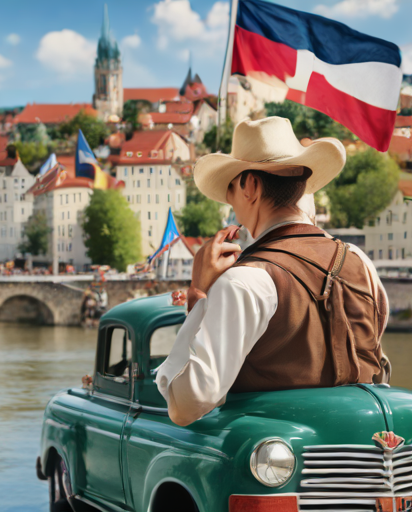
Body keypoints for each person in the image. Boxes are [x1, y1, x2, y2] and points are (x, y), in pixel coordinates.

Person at [156, 116, 389, 427]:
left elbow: (185, 404)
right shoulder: (361, 262)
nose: (230, 202)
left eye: (230, 189)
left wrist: (199, 295)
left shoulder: (243, 281)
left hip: (283, 467)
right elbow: (378, 365)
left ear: (250, 186)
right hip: (368, 460)